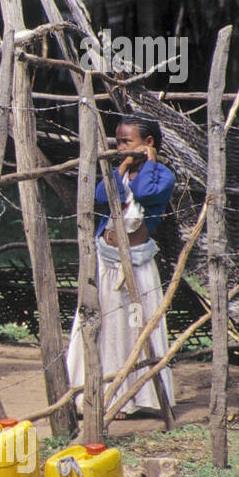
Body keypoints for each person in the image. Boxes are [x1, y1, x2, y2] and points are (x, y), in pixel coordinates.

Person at [65, 114, 177, 418]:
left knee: (133, 326)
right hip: (107, 260)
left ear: (148, 143)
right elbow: (102, 196)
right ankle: (91, 393)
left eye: (126, 141)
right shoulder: (120, 173)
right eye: (117, 141)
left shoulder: (162, 175)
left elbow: (145, 194)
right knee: (105, 324)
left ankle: (135, 398)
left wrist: (149, 162)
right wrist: (123, 165)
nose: (119, 146)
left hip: (137, 264)